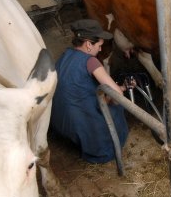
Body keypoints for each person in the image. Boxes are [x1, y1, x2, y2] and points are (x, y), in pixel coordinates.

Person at [50, 19, 129, 163]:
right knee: (117, 106)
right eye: (99, 45)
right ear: (88, 44)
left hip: (60, 123)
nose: (100, 49)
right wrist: (115, 94)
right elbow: (118, 95)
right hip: (81, 126)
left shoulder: (64, 55)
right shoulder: (91, 61)